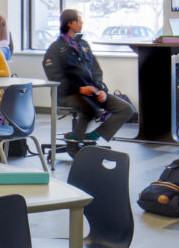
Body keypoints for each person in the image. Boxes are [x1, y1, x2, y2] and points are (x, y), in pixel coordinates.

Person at [43, 8, 134, 145]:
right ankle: (74, 145)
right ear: (69, 23)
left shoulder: (83, 45)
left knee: (126, 109)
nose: (82, 22)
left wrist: (101, 89)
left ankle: (92, 135)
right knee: (90, 109)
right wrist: (79, 89)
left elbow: (96, 70)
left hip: (92, 91)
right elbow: (55, 77)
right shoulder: (56, 48)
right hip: (68, 94)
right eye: (79, 19)